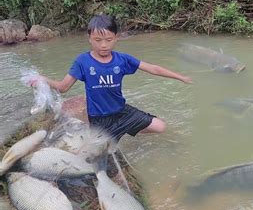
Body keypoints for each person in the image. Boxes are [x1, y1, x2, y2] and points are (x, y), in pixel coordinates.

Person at [35, 14, 192, 141]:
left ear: (116, 38)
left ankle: (128, 129)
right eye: (98, 40)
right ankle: (114, 134)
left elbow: (152, 68)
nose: (103, 45)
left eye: (108, 40)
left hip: (122, 112)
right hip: (100, 120)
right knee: (102, 158)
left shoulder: (122, 59)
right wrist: (43, 80)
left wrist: (180, 77)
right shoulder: (82, 61)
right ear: (89, 38)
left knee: (160, 127)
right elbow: (63, 87)